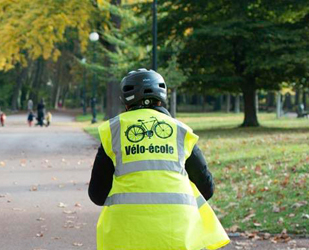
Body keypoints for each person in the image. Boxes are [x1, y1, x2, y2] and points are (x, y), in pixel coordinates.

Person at [88, 69, 229, 250]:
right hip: (178, 234)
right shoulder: (180, 131)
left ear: (125, 101)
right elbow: (207, 189)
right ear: (162, 97)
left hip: (125, 236)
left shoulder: (113, 130)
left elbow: (97, 195)